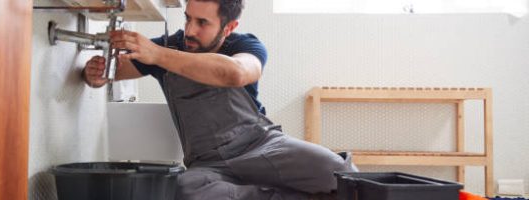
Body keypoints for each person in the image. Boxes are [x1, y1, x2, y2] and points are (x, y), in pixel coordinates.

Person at [82, 0, 358, 199]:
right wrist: (94, 73)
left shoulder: (245, 45)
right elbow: (111, 72)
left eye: (202, 23)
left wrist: (158, 55)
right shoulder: (167, 47)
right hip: (207, 163)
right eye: (188, 18)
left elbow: (237, 73)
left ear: (229, 26)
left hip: (262, 146)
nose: (189, 30)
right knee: (182, 189)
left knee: (341, 173)